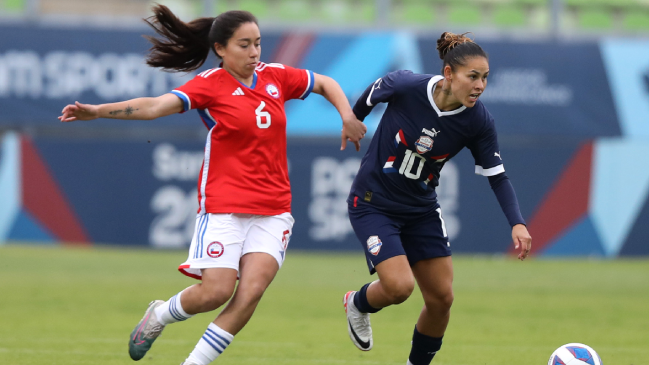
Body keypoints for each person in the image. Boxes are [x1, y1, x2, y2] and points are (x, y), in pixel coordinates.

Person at [59, 5, 366, 365]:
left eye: (258, 44)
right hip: (225, 205)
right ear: (220, 49)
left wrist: (347, 115)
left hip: (274, 209)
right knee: (215, 292)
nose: (254, 53)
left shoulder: (276, 76)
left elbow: (326, 83)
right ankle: (159, 315)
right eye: (244, 45)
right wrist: (97, 111)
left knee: (250, 293)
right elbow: (155, 106)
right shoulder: (209, 85)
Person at [342, 32, 532, 365]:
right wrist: (353, 120)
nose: (480, 85)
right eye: (473, 76)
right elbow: (369, 98)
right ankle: (358, 302)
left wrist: (517, 222)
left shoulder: (479, 121)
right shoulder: (405, 85)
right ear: (448, 74)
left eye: (485, 78)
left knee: (442, 299)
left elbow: (497, 177)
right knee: (400, 288)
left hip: (421, 211)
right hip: (373, 204)